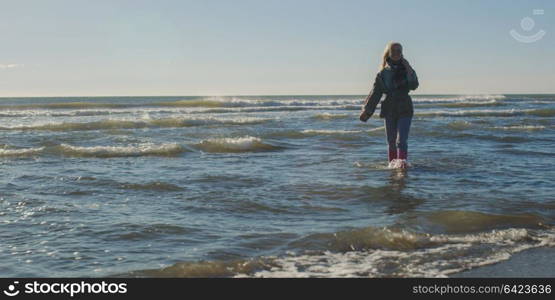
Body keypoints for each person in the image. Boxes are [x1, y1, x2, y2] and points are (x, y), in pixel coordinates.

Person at [359, 42, 419, 168]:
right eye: (394, 51)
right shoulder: (383, 73)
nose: (397, 53)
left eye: (400, 51)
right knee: (391, 142)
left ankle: (401, 166)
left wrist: (408, 69)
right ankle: (391, 166)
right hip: (389, 107)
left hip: (405, 106)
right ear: (389, 53)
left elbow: (414, 85)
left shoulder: (407, 69)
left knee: (401, 140)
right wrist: (367, 111)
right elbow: (376, 93)